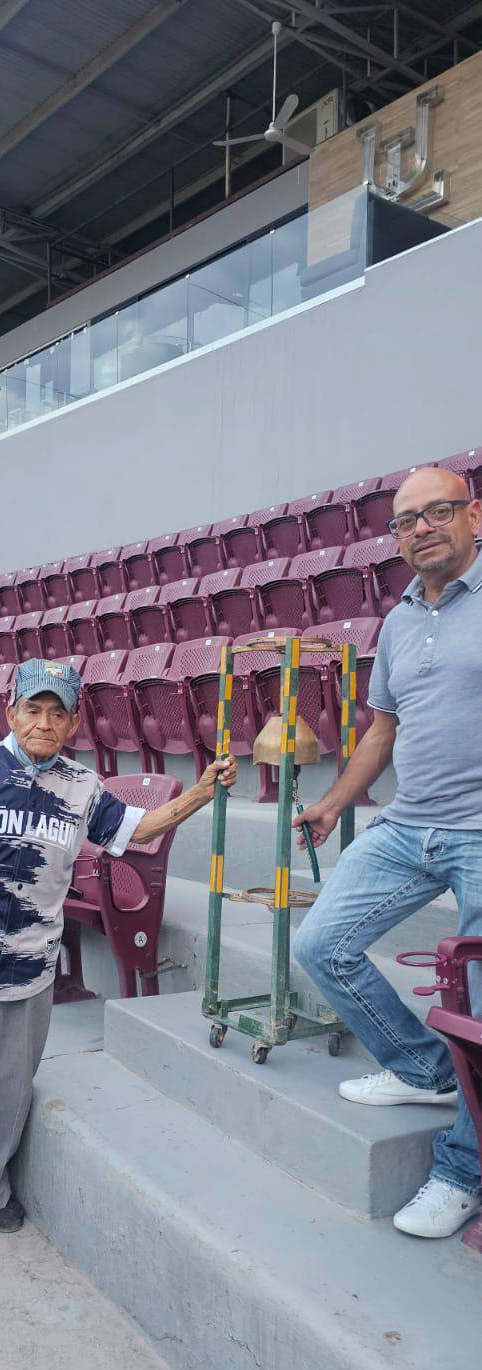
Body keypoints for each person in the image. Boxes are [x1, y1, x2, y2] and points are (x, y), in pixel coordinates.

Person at [0, 658, 237, 1265]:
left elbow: (135, 829)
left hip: (30, 959)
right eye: (33, 710)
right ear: (11, 712)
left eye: (57, 713)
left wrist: (201, 792)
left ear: (72, 723)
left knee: (10, 1084)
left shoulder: (82, 785)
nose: (44, 722)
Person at [292, 466, 482, 1238]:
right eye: (405, 521)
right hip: (409, 825)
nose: (420, 528)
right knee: (320, 942)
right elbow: (381, 730)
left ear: (473, 516)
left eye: (437, 511)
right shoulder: (399, 620)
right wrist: (335, 804)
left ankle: (462, 1171)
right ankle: (424, 1070)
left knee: (480, 1008)